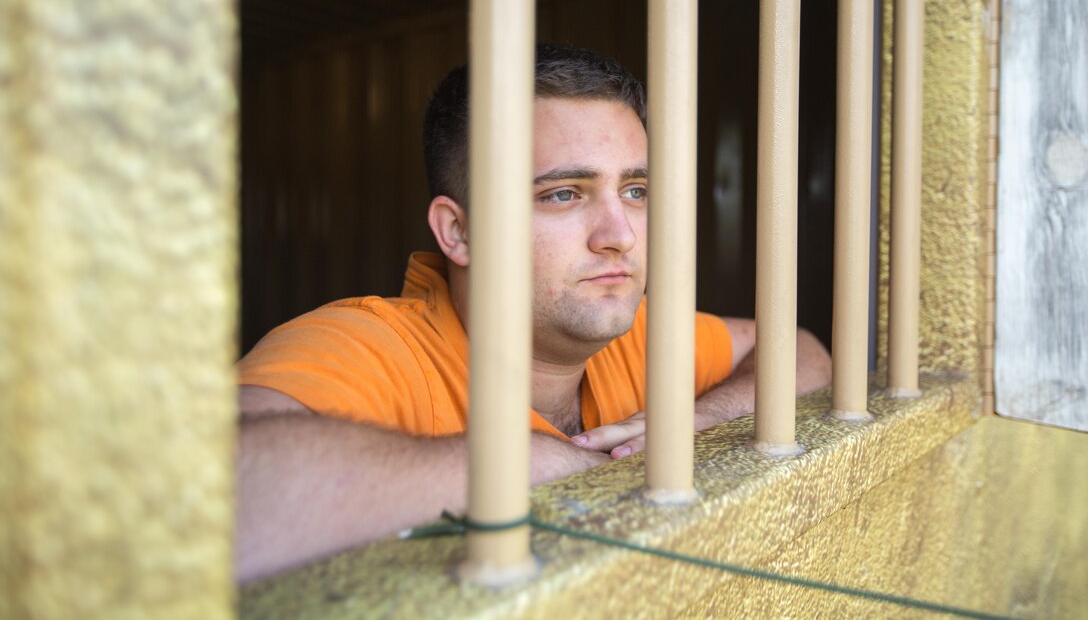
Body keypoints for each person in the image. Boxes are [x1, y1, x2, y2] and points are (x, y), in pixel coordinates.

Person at [235, 44, 831, 583]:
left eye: (635, 191)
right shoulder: (367, 346)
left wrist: (704, 416)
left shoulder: (637, 335)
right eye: (563, 194)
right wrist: (527, 461)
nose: (620, 235)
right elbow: (206, 491)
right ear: (459, 231)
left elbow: (796, 346)